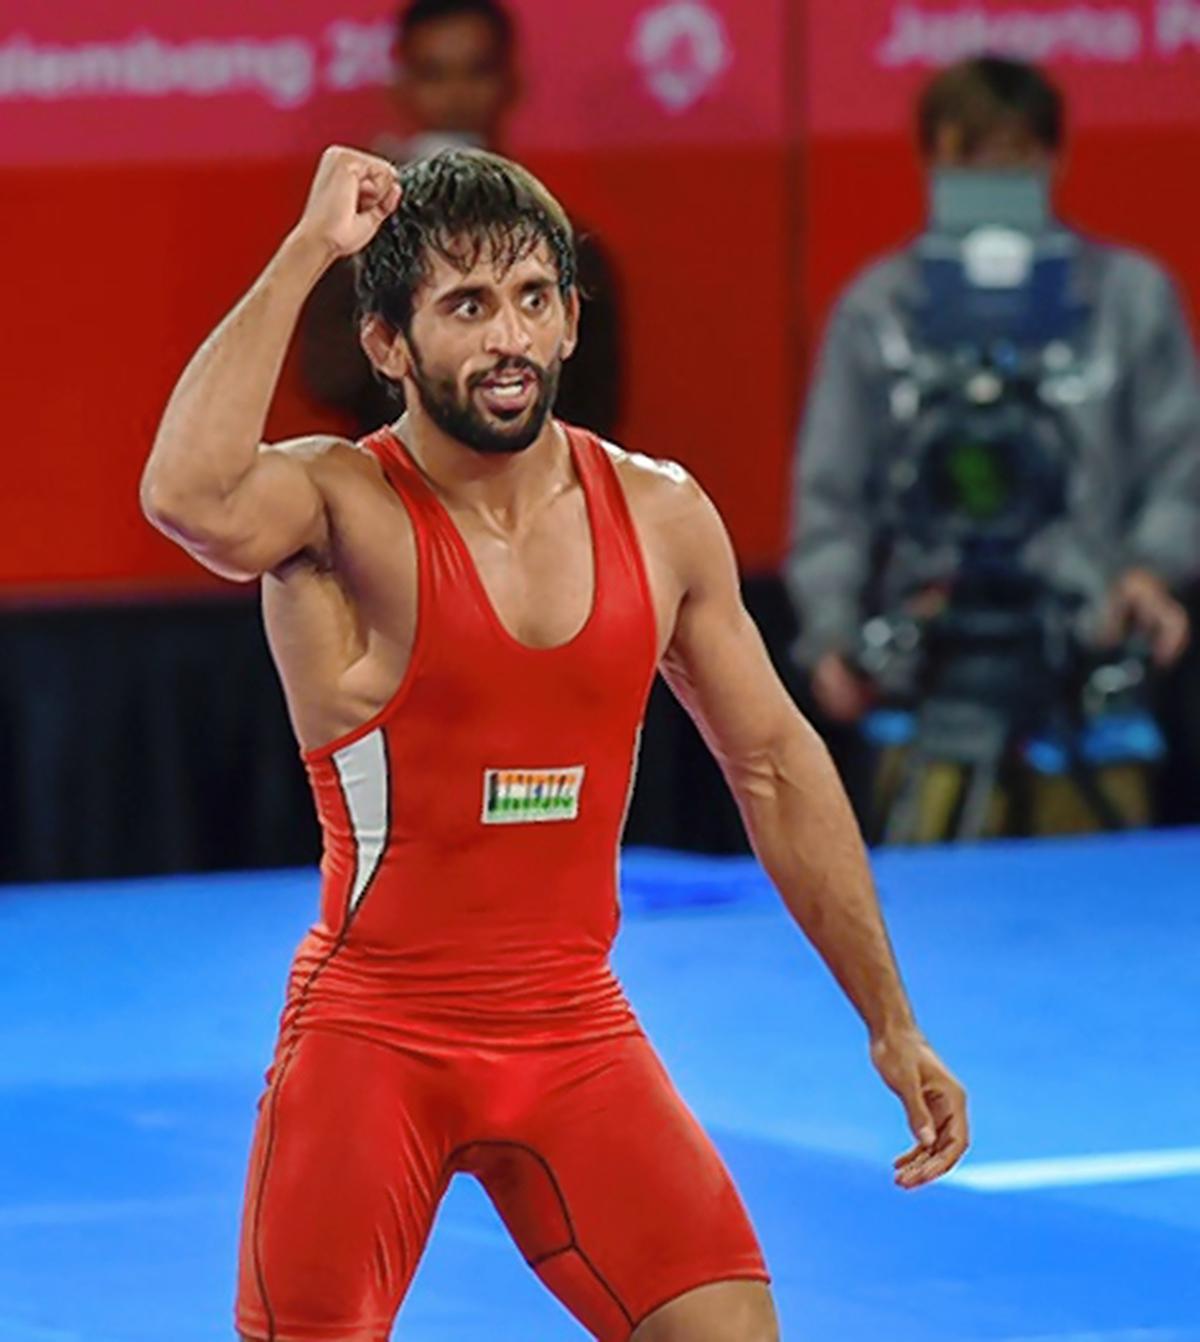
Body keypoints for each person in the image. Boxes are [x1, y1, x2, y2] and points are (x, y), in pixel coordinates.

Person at [141, 145, 968, 1342]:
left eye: (533, 299)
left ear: (574, 320)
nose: (508, 339)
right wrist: (309, 248)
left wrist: (891, 1019)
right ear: (386, 344)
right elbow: (187, 495)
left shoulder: (662, 514)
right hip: (373, 1038)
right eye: (466, 306)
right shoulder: (333, 511)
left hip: (574, 1031)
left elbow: (776, 766)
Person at [787, 56, 1200, 832]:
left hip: (1087, 657)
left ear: (1054, 158)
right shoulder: (878, 311)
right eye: (968, 157)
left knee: (1105, 929)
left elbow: (1183, 464)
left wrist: (1152, 570)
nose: (990, 177)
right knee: (919, 929)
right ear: (931, 162)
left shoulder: (1130, 298)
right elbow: (831, 493)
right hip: (928, 672)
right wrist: (833, 629)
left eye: (1011, 158)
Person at [300, 0, 622, 439]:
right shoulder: (356, 237)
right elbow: (326, 377)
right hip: (390, 490)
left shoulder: (573, 251)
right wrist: (371, 241)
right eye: (434, 74)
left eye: (477, 71)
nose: (456, 96)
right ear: (403, 88)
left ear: (510, 83)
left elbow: (595, 406)